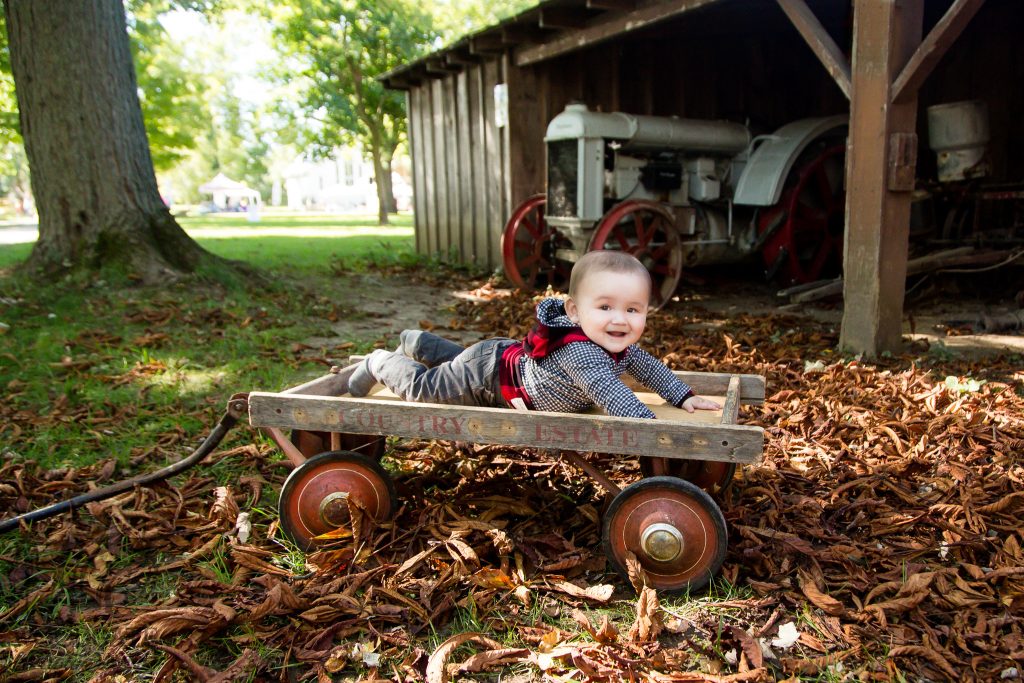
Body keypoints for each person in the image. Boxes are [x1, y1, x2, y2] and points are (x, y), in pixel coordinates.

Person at [347, 251, 721, 419]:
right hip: (489, 380)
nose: (619, 320)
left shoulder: (616, 345)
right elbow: (613, 395)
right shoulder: (582, 355)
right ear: (574, 311)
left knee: (454, 363)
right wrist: (654, 428)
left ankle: (417, 342)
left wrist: (683, 396)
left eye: (633, 310)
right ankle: (379, 361)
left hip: (497, 359)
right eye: (605, 307)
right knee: (426, 389)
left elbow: (649, 368)